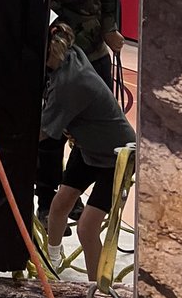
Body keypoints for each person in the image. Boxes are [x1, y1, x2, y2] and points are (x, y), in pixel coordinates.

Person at [37, 0, 125, 225]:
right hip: (57, 64)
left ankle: (70, 192)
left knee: (91, 129)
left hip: (93, 58)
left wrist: (110, 28)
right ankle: (47, 200)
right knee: (51, 136)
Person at [41, 21, 135, 280]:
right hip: (89, 149)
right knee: (59, 205)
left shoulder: (70, 83)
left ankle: (97, 289)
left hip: (118, 156)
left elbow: (43, 132)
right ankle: (52, 262)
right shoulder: (70, 54)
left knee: (87, 227)